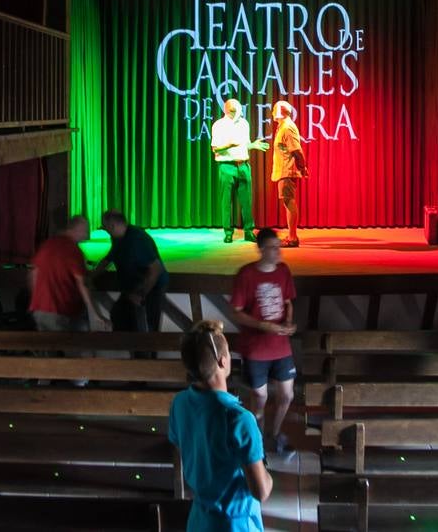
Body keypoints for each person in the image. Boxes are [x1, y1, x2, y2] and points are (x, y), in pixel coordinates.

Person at [168, 319, 273, 531]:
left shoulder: (179, 403)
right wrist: (268, 476)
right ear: (223, 361)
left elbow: (187, 452)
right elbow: (261, 492)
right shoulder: (239, 418)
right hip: (235, 523)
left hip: (200, 518)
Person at [227, 228, 298, 459]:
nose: (279, 251)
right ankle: (256, 442)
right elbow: (236, 312)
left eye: (279, 246)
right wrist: (261, 325)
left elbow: (288, 302)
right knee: (260, 397)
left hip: (281, 346)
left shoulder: (284, 271)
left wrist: (288, 322)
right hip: (256, 348)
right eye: (273, 247)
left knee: (287, 394)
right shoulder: (246, 274)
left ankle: (274, 434)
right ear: (261, 249)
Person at [29, 214, 109, 385]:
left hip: (41, 310)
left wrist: (35, 299)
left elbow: (34, 273)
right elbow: (82, 284)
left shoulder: (48, 244)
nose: (88, 233)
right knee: (75, 353)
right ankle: (78, 392)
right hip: (60, 311)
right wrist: (94, 313)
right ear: (77, 229)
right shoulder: (72, 250)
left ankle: (44, 395)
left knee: (47, 357)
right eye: (86, 229)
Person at [93, 209, 169, 333]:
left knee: (146, 327)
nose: (106, 231)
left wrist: (141, 294)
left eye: (106, 228)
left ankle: (146, 350)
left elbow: (156, 269)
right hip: (133, 287)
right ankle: (133, 348)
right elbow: (110, 257)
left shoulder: (137, 240)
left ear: (112, 226)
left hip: (151, 288)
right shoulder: (118, 238)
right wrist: (93, 274)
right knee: (119, 315)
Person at [210, 98, 269, 244]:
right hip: (226, 166)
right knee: (226, 201)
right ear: (226, 110)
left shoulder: (244, 123)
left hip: (243, 165)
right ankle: (228, 232)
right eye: (233, 111)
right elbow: (215, 149)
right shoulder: (219, 125)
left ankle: (249, 231)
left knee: (246, 201)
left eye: (238, 111)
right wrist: (228, 145)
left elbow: (245, 145)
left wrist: (252, 145)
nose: (236, 114)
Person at [270, 100, 308, 247]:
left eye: (274, 109)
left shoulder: (287, 127)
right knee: (288, 201)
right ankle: (292, 235)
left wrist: (303, 166)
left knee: (289, 201)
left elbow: (296, 150)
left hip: (288, 169)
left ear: (281, 111)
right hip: (284, 169)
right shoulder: (282, 127)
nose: (272, 112)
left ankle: (293, 238)